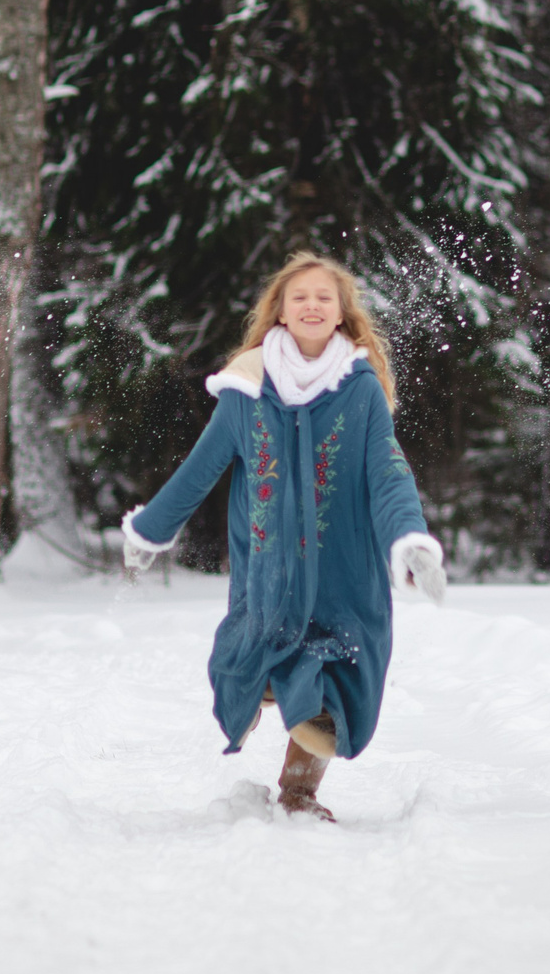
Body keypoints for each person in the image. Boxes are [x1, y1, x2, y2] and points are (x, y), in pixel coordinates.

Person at [121, 252, 447, 820]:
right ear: (281, 312)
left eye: (325, 296)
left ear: (343, 314)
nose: (313, 304)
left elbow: (389, 472)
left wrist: (410, 539)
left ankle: (299, 792)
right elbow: (202, 466)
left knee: (333, 691)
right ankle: (264, 686)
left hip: (345, 571)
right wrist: (151, 530)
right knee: (259, 651)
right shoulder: (246, 387)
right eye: (300, 296)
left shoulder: (361, 390)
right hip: (270, 568)